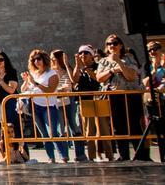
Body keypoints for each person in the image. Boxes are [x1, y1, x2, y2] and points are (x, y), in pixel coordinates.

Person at [96, 33, 148, 161]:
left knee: (135, 125)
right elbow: (99, 78)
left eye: (114, 43)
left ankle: (141, 155)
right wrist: (112, 70)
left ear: (120, 45)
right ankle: (124, 155)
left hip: (130, 96)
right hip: (114, 97)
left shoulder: (128, 58)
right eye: (109, 44)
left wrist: (119, 62)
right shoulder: (103, 61)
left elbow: (131, 76)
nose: (111, 46)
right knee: (119, 127)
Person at [22, 49, 65, 162]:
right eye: (34, 59)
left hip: (48, 106)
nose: (36, 61)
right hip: (35, 105)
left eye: (39, 59)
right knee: (44, 134)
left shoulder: (52, 73)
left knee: (53, 132)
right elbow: (23, 90)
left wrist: (35, 83)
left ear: (44, 60)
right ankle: (51, 157)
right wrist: (27, 81)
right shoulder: (34, 74)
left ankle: (63, 156)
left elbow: (50, 90)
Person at [50, 49, 86, 162]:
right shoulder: (51, 71)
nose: (51, 60)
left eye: (53, 58)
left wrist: (66, 64)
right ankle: (64, 156)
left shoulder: (67, 69)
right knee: (60, 128)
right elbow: (51, 87)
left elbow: (73, 81)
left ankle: (80, 155)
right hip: (57, 101)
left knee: (73, 125)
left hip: (69, 99)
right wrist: (60, 89)